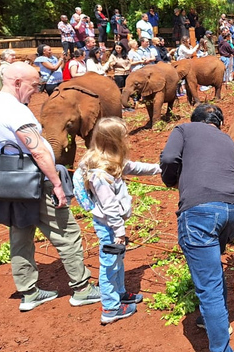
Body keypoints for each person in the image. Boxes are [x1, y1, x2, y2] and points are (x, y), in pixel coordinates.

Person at [0, 62, 100, 310]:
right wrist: (56, 183)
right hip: (37, 181)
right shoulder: (16, 111)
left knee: (20, 235)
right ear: (17, 82)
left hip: (12, 184)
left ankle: (29, 292)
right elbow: (37, 150)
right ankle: (82, 288)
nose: (36, 90)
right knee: (67, 233)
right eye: (34, 84)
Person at [160, 104, 234, 352]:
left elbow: (168, 158)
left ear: (195, 120)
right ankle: (214, 318)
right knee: (213, 266)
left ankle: (221, 348)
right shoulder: (227, 139)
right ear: (218, 124)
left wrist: (170, 180)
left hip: (200, 212)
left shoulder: (184, 129)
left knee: (207, 285)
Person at [75, 117, 159, 324]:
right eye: (124, 136)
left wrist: (159, 168)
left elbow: (134, 167)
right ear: (113, 140)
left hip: (112, 225)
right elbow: (110, 207)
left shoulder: (107, 160)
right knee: (109, 265)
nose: (127, 139)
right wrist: (119, 231)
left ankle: (119, 294)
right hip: (109, 226)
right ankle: (110, 308)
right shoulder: (100, 173)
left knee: (117, 261)